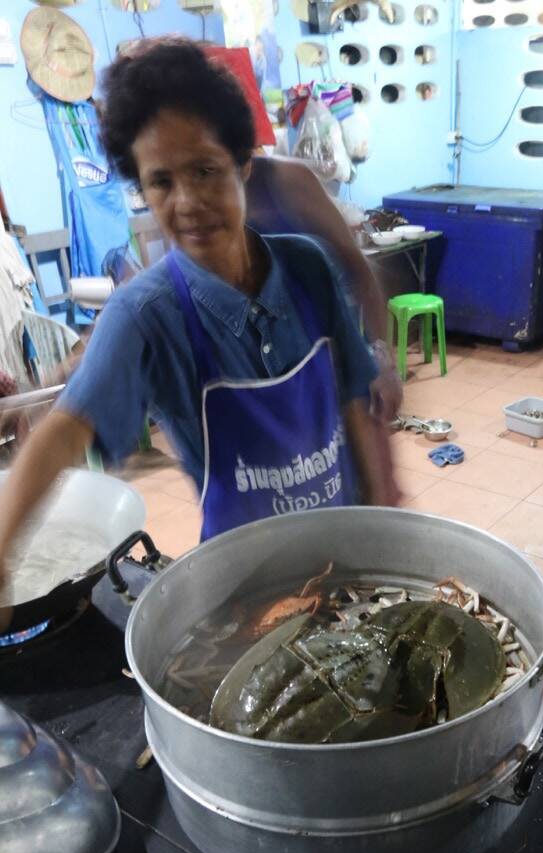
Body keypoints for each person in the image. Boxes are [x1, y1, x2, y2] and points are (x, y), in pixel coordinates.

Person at [0, 38, 399, 606]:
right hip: (248, 591)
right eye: (161, 181)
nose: (187, 201)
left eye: (206, 170)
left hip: (349, 558)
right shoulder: (145, 314)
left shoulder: (306, 268)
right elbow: (64, 432)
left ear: (243, 164)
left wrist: (386, 526)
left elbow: (356, 403)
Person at [245, 153, 403, 421]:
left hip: (329, 355)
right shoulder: (201, 205)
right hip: (265, 374)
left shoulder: (287, 179)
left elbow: (361, 268)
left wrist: (383, 362)